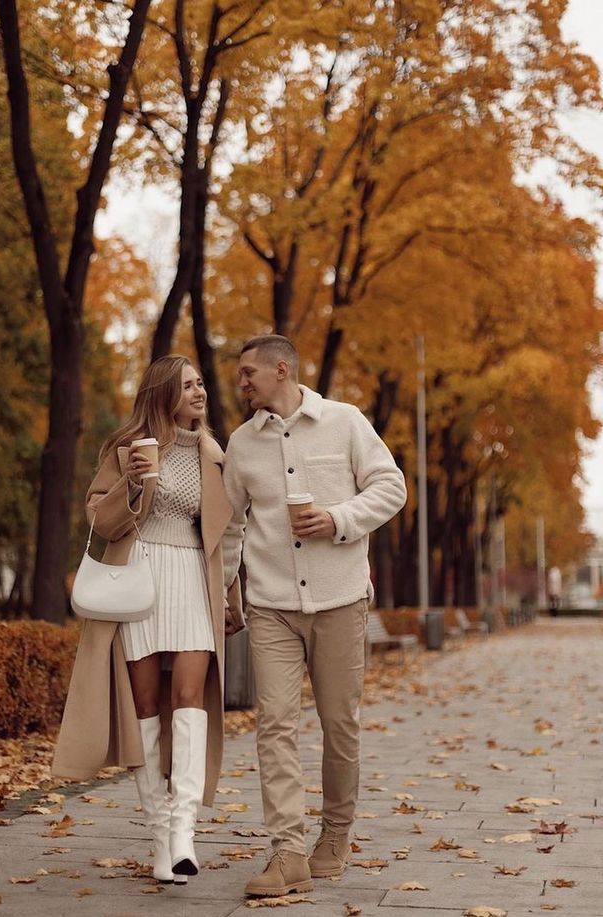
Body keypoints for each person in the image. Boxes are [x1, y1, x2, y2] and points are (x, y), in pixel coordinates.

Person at [222, 335, 407, 898]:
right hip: (272, 606)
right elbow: (231, 526)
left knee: (339, 724)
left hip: (341, 600)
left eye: (250, 372)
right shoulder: (241, 444)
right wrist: (229, 591)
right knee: (274, 723)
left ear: (282, 369)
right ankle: (287, 852)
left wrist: (338, 518)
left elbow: (391, 486)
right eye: (238, 374)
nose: (241, 382)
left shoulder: (345, 422)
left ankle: (336, 833)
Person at [53, 355, 243, 884]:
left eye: (201, 383)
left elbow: (229, 534)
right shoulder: (127, 450)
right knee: (145, 706)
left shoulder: (214, 454)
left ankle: (184, 833)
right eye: (188, 386)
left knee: (189, 698)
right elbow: (101, 520)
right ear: (163, 394)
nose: (200, 392)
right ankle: (159, 836)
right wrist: (131, 486)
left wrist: (231, 597)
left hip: (192, 582)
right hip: (139, 580)